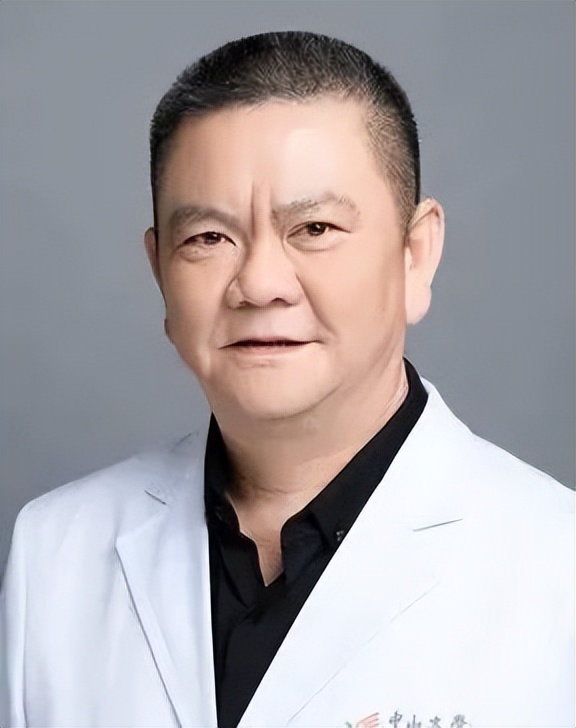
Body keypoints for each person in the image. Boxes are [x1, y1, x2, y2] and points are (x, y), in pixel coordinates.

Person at [0, 31, 573, 728]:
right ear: (160, 272)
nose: (260, 283)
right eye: (208, 238)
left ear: (415, 255)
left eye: (315, 228)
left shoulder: (556, 565)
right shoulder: (55, 554)